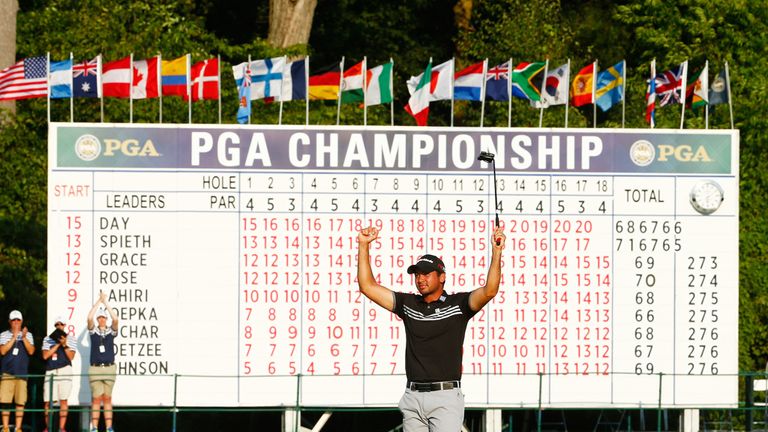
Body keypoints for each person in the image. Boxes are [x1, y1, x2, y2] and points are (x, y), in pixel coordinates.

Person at [357, 224, 505, 432]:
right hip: (412, 397)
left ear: (442, 277)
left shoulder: (458, 305)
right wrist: (363, 245)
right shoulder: (408, 304)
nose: (420, 279)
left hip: (445, 398)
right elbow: (367, 287)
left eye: (426, 273)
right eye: (417, 274)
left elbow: (489, 291)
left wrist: (496, 252)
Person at [86, 292, 119, 432]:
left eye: (103, 318)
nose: (101, 320)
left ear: (106, 319)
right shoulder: (94, 332)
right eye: (99, 318)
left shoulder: (111, 332)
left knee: (107, 399)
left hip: (109, 368)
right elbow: (89, 318)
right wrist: (99, 301)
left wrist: (105, 303)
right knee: (96, 399)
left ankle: (109, 427)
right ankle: (94, 427)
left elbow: (115, 319)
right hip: (95, 369)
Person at [0, 310, 35, 432]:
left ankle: (18, 428)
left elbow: (31, 351)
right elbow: (3, 351)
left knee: (20, 402)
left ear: (21, 321)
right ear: (9, 322)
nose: (16, 323)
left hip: (22, 373)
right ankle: (5, 428)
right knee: (5, 401)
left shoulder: (28, 335)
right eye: (13, 320)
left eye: (18, 320)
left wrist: (23, 338)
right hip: (7, 373)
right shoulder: (3, 335)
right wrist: (14, 337)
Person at [42, 315, 77, 432]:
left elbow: (71, 356)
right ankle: (48, 427)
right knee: (47, 401)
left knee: (63, 400)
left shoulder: (71, 339)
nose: (59, 327)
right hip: (51, 370)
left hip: (65, 370)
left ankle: (62, 428)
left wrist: (64, 344)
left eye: (61, 324)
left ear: (64, 325)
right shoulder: (47, 339)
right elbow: (45, 355)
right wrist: (57, 344)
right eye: (57, 325)